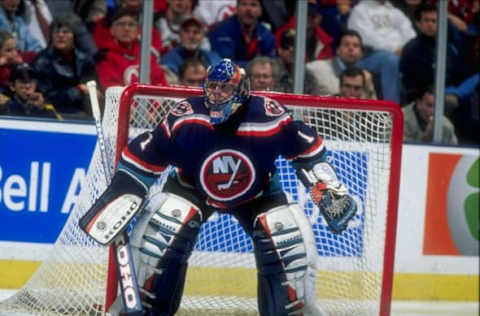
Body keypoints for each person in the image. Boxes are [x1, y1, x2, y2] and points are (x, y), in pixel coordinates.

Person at [83, 58, 357, 316]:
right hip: (192, 187)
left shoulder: (267, 117)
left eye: (225, 88)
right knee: (163, 224)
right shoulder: (188, 117)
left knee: (287, 239)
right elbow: (147, 152)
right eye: (212, 86)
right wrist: (123, 190)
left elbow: (305, 147)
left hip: (257, 192)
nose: (216, 94)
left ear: (243, 90)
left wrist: (327, 189)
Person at [31, 15, 99, 119]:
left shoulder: (84, 59)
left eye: (65, 32)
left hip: (83, 111)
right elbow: (46, 97)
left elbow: (94, 87)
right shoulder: (42, 61)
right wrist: (78, 90)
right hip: (54, 113)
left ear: (74, 36)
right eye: (56, 32)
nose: (60, 35)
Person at [95, 7, 168, 89]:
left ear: (138, 31)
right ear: (112, 30)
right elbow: (111, 89)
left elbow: (160, 83)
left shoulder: (146, 55)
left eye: (131, 24)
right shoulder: (104, 56)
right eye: (121, 24)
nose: (126, 29)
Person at [307, 29, 377, 99]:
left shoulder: (366, 76)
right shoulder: (316, 68)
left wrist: (367, 89)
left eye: (355, 46)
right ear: (337, 50)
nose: (351, 48)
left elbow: (374, 107)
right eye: (346, 45)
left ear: (361, 53)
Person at [208, 0, 275, 67]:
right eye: (244, 4)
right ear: (236, 9)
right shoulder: (221, 31)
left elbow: (270, 62)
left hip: (258, 75)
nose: (248, 9)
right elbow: (227, 64)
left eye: (253, 5)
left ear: (260, 11)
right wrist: (256, 65)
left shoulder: (266, 33)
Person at [275, 28, 321, 95]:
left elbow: (313, 99)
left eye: (295, 46)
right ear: (279, 50)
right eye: (286, 46)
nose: (291, 50)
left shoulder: (308, 76)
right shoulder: (271, 72)